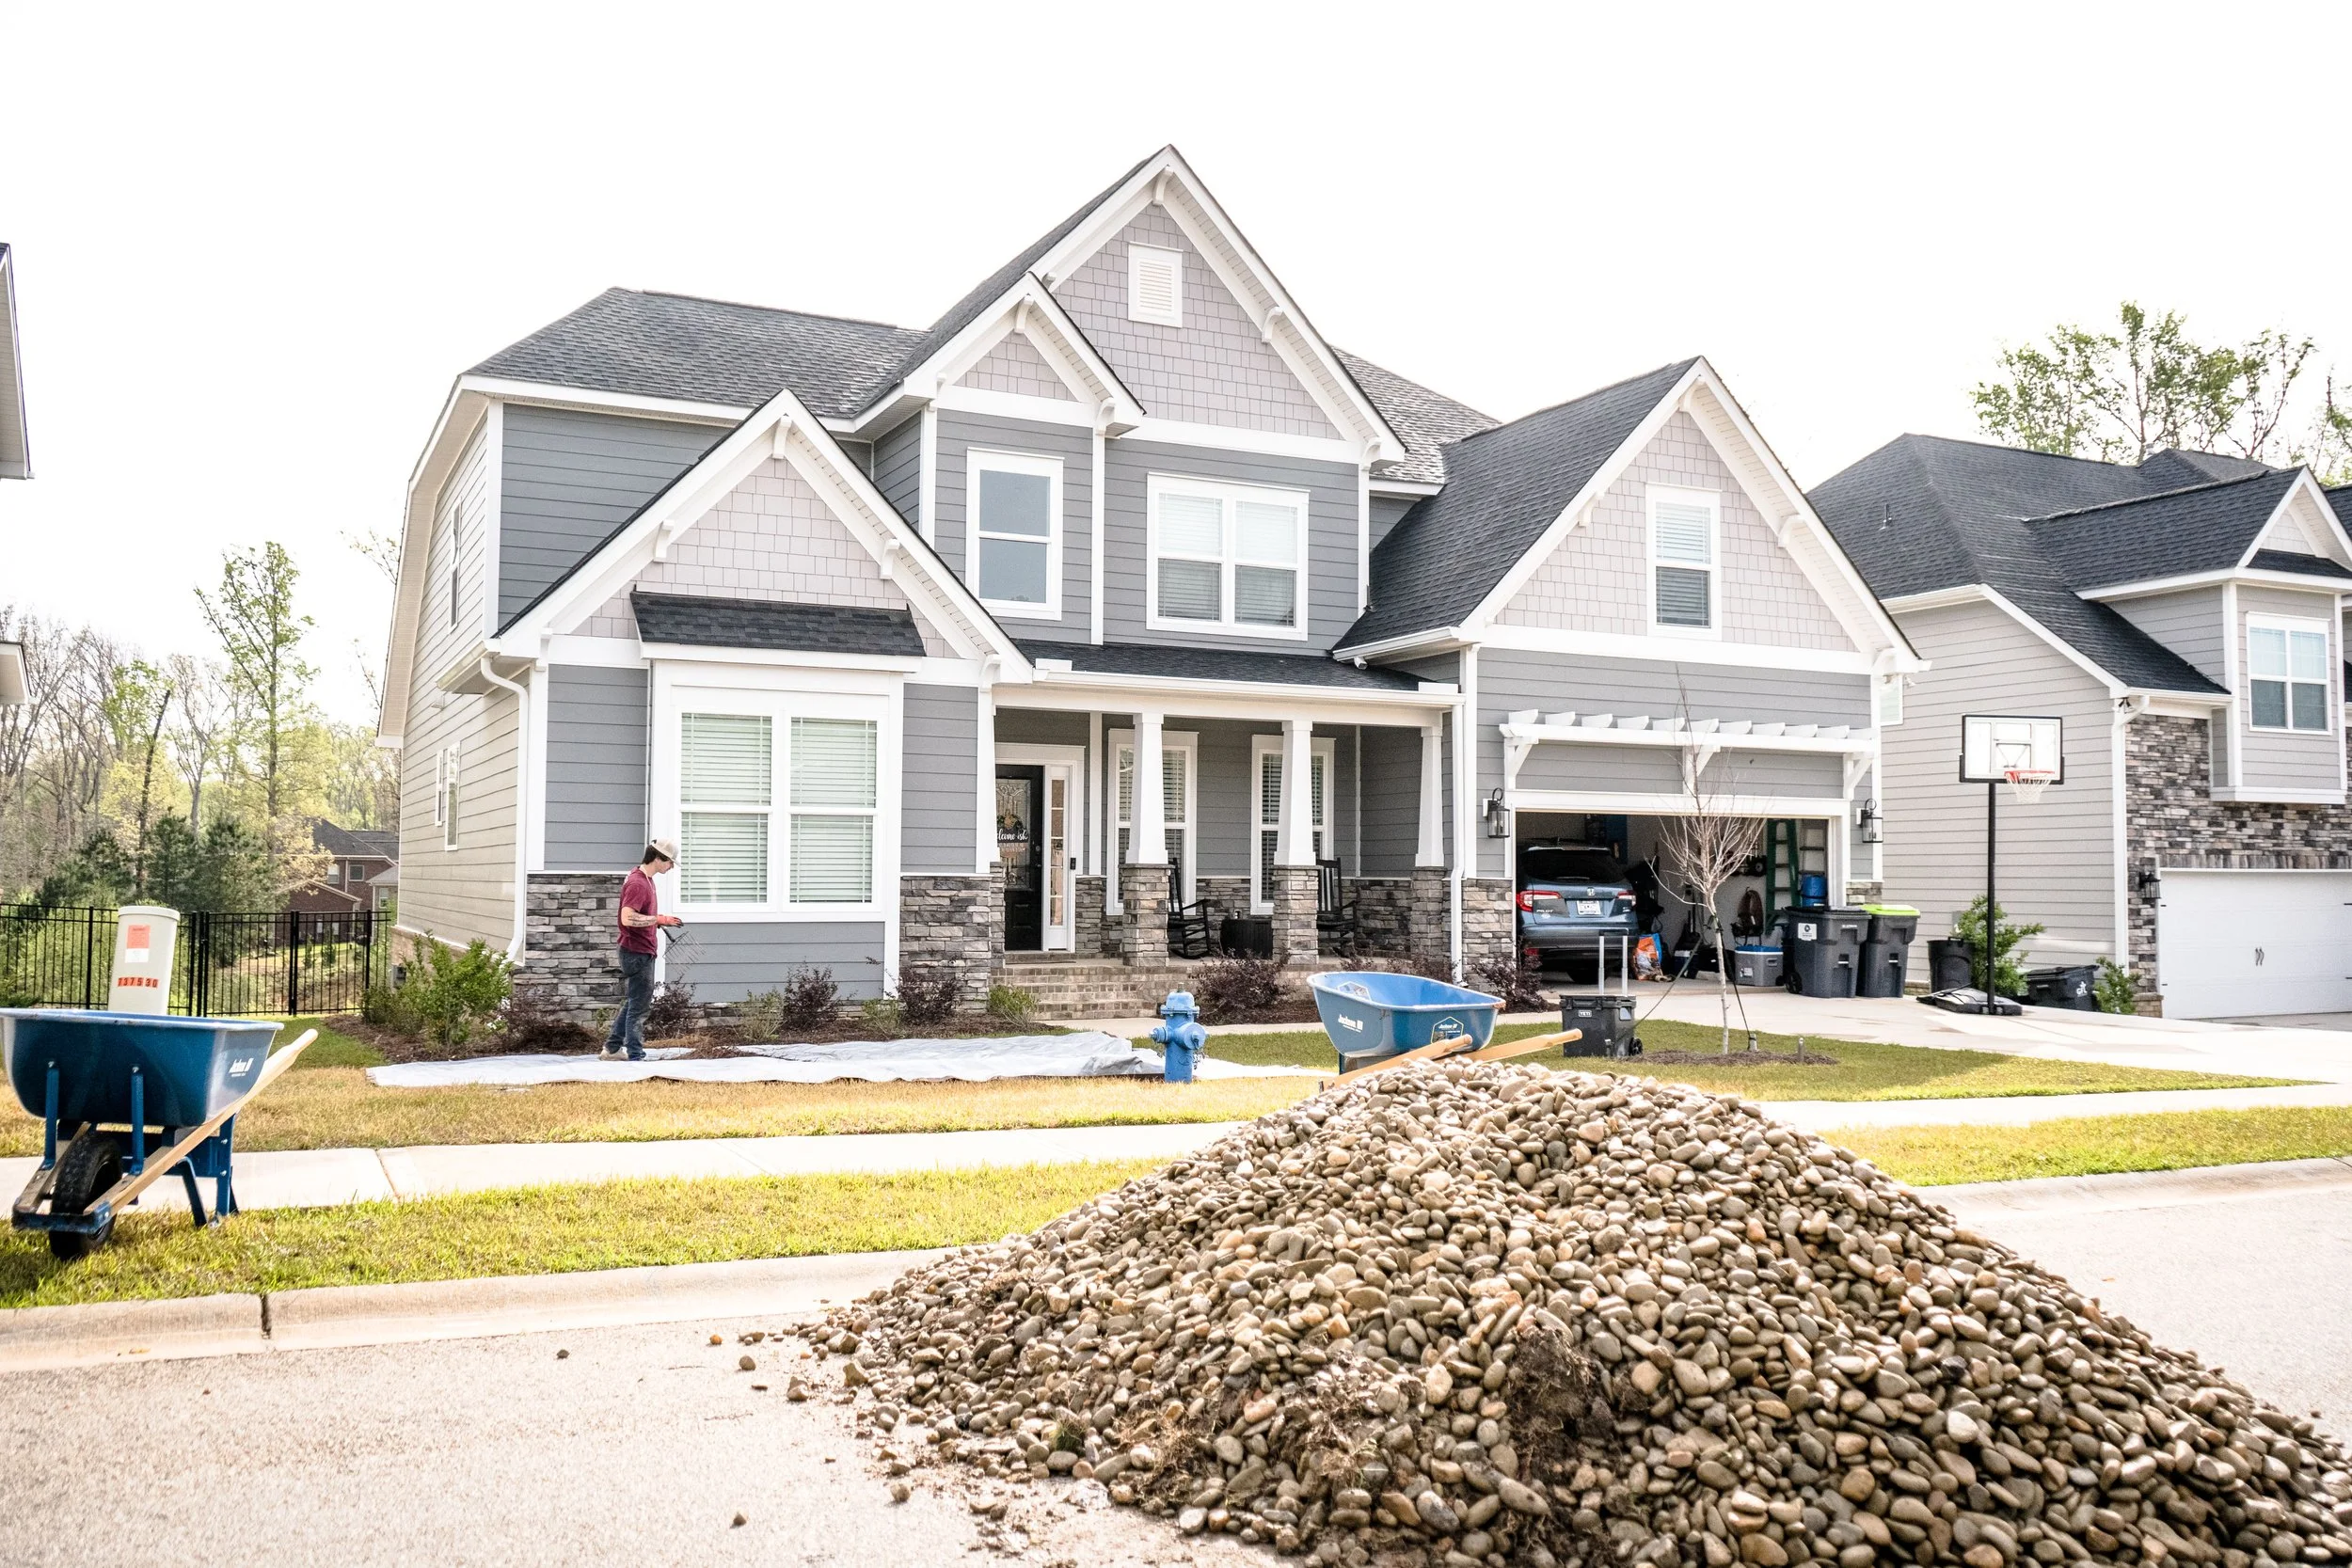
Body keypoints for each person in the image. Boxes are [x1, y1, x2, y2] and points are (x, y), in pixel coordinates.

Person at [602, 839, 682, 1061]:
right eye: (670, 862)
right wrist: (658, 918)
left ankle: (612, 1049)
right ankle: (636, 1055)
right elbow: (627, 918)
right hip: (636, 952)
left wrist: (654, 922)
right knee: (639, 1007)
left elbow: (638, 915)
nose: (671, 867)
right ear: (658, 859)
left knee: (633, 1002)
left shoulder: (645, 878)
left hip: (639, 949)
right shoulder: (639, 883)